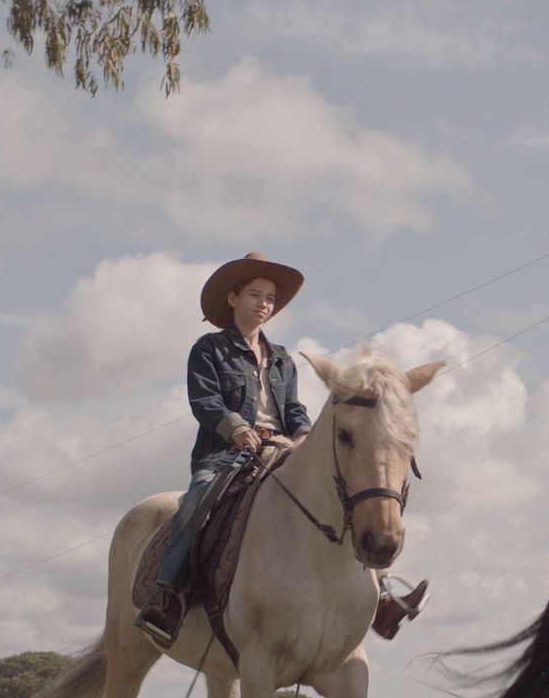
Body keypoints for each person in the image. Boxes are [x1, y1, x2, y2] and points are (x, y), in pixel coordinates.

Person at [136, 253, 429, 646]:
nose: (264, 304)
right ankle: (168, 597)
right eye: (255, 295)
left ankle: (380, 599)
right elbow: (205, 402)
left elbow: (292, 408)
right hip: (226, 454)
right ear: (233, 299)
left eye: (270, 298)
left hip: (281, 447)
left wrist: (305, 435)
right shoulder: (208, 350)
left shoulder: (282, 359)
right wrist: (236, 428)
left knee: (344, 498)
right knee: (196, 503)